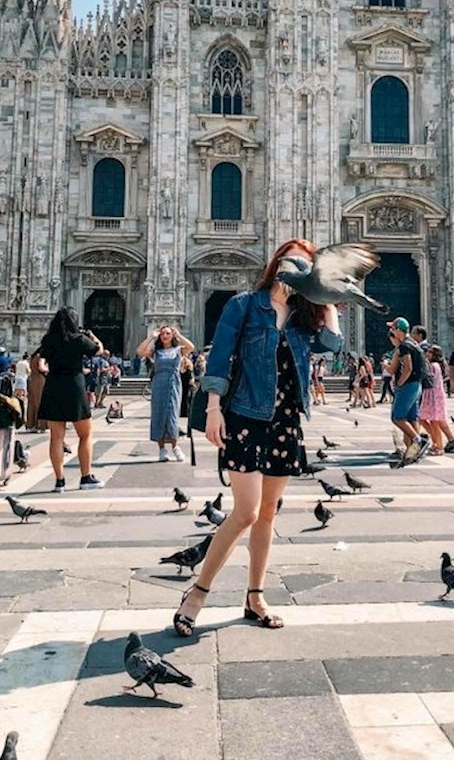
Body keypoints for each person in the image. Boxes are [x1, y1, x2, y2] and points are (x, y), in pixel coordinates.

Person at [172, 238, 341, 638]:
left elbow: (332, 346)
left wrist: (327, 297)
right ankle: (197, 593)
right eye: (289, 262)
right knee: (245, 512)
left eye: (304, 266)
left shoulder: (303, 318)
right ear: (275, 264)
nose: (294, 270)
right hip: (245, 416)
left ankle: (255, 596)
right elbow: (219, 358)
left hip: (285, 421)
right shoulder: (244, 305)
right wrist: (214, 409)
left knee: (267, 514)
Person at [37, 307, 107, 491]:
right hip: (74, 387)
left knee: (56, 437)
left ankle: (59, 481)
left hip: (53, 387)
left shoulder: (49, 340)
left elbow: (41, 360)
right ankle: (85, 478)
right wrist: (93, 336)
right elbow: (99, 350)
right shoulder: (79, 339)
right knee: (85, 434)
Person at [137, 326, 196, 461]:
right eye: (162, 333)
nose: (165, 335)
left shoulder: (178, 350)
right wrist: (151, 337)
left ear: (172, 335)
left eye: (168, 333)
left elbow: (191, 347)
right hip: (158, 384)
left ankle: (176, 446)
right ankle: (162, 449)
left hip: (173, 383)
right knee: (158, 414)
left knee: (172, 414)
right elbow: (140, 351)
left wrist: (179, 335)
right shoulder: (156, 352)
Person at [386, 318, 429, 463]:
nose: (392, 332)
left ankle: (419, 441)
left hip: (408, 386)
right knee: (412, 418)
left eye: (393, 329)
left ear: (399, 330)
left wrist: (400, 383)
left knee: (397, 417)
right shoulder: (414, 344)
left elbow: (408, 367)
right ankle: (413, 451)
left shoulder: (405, 346)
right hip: (417, 385)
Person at [419, 345, 454, 453]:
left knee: (434, 422)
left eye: (430, 352)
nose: (427, 354)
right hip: (432, 394)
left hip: (433, 395)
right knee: (424, 419)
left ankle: (439, 446)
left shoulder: (433, 365)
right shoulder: (435, 365)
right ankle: (435, 442)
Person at [26, 349, 46, 432]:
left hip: (32, 379)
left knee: (32, 403)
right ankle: (40, 425)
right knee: (40, 402)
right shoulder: (41, 357)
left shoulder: (32, 357)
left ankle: (30, 425)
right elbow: (41, 368)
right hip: (40, 379)